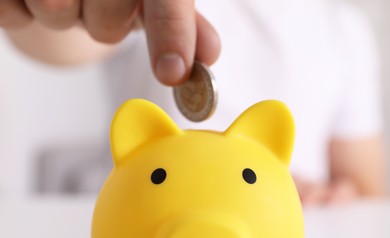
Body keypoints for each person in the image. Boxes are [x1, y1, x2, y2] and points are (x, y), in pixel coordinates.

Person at [0, 0, 387, 205]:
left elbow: (367, 191)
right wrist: (56, 12)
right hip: (147, 226)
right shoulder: (154, 8)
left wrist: (336, 197)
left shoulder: (344, 28)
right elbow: (57, 41)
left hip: (283, 231)